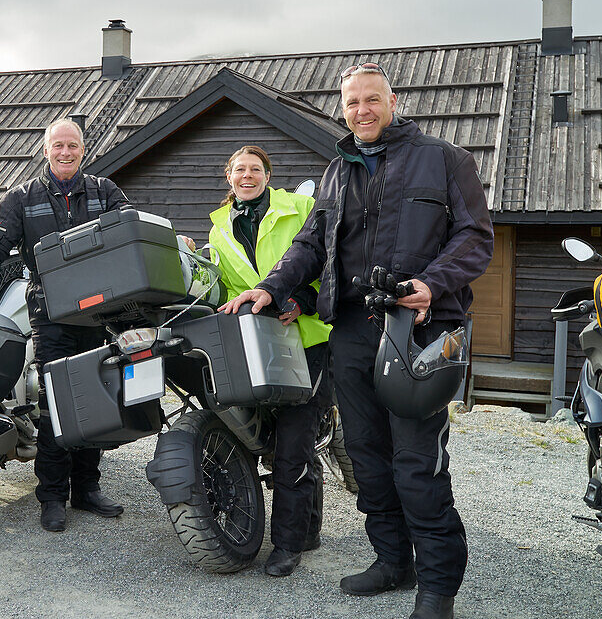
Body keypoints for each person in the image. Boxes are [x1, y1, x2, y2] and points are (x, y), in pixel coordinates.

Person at [227, 64, 493, 619]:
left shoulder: (444, 159)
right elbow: (309, 242)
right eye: (353, 103)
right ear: (342, 109)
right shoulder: (335, 170)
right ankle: (392, 560)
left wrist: (432, 283)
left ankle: (438, 586)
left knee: (416, 462)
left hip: (420, 327)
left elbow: (474, 238)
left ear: (393, 101)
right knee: (368, 457)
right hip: (350, 329)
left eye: (372, 100)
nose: (363, 111)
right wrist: (271, 288)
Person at [0, 118, 128, 532]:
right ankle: (52, 496)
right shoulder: (20, 198)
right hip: (51, 313)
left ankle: (87, 488)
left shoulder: (106, 191)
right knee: (56, 403)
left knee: (98, 396)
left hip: (101, 312)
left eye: (73, 145)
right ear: (46, 149)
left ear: (83, 149)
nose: (65, 152)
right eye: (58, 146)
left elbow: (131, 231)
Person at [211, 146, 331, 577]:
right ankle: (309, 528)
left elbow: (328, 264)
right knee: (278, 441)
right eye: (239, 169)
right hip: (258, 344)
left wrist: (303, 299)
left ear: (268, 175)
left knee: (293, 444)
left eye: (255, 169)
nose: (247, 176)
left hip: (310, 337)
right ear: (229, 176)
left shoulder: (300, 207)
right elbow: (227, 289)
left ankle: (288, 545)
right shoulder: (218, 229)